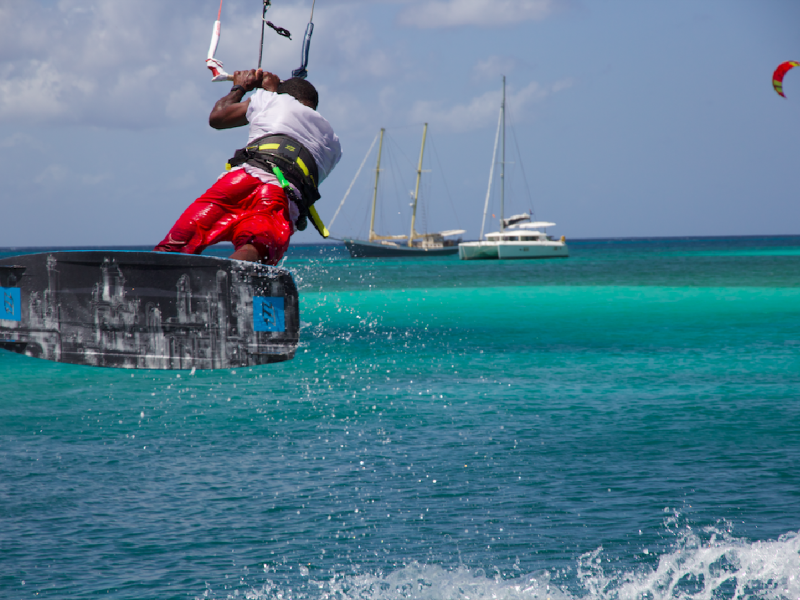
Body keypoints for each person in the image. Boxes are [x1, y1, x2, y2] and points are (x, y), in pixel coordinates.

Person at [154, 69, 342, 264]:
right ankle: (234, 274)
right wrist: (271, 90)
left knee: (178, 243)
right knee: (255, 247)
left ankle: (156, 270)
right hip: (280, 195)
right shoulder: (334, 147)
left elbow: (218, 118)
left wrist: (241, 87)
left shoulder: (272, 100)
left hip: (240, 181)